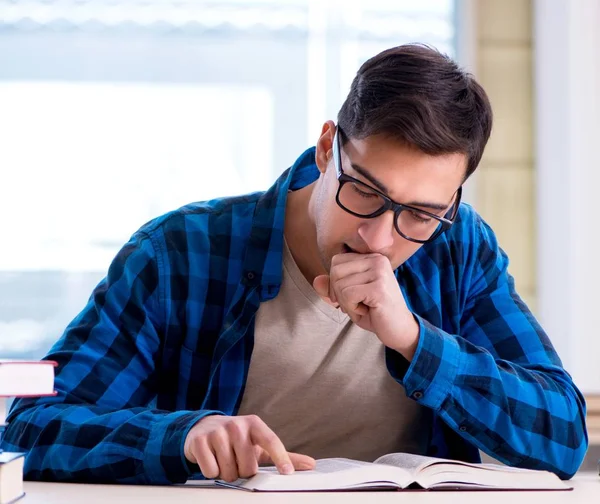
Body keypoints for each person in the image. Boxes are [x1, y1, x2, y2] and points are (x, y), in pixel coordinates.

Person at [3, 44, 587, 484]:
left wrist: (412, 340)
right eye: (364, 191)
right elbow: (31, 429)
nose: (380, 238)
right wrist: (182, 436)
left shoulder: (459, 249)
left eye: (420, 212)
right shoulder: (179, 251)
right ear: (328, 147)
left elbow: (562, 436)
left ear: (452, 203)